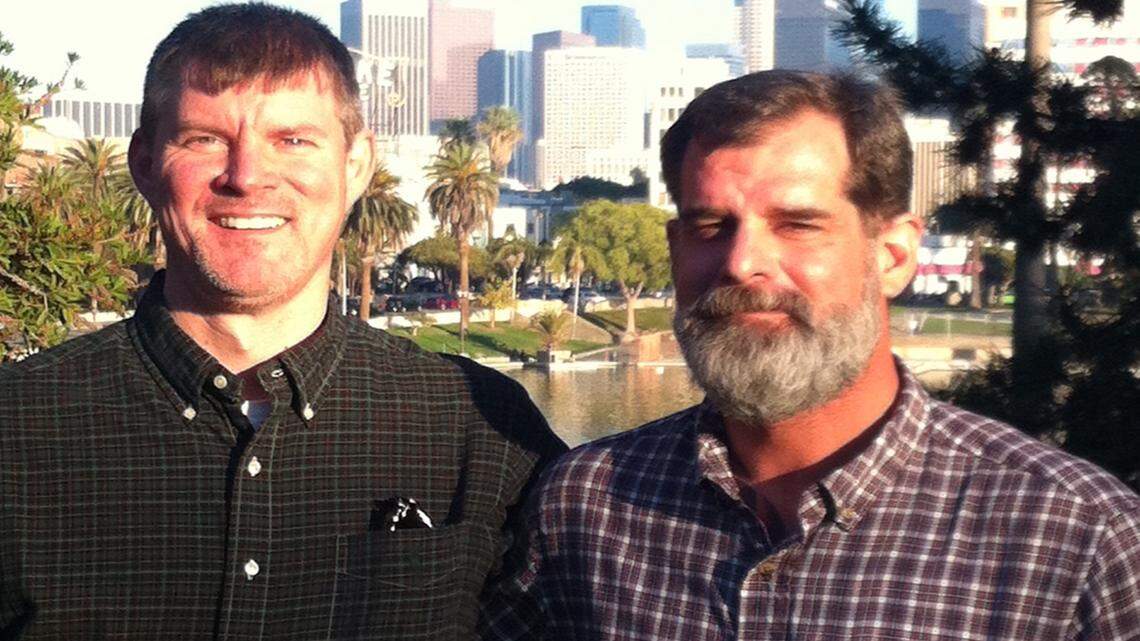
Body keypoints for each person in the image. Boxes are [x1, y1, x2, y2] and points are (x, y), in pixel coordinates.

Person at [478, 71, 1140, 640]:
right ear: (678, 248)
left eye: (797, 224)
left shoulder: (1080, 542)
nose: (742, 262)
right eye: (711, 227)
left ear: (894, 255)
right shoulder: (584, 505)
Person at [0, 5, 564, 639]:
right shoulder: (17, 427)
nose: (246, 178)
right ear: (143, 163)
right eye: (204, 139)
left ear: (355, 166)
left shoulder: (484, 433)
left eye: (293, 140)